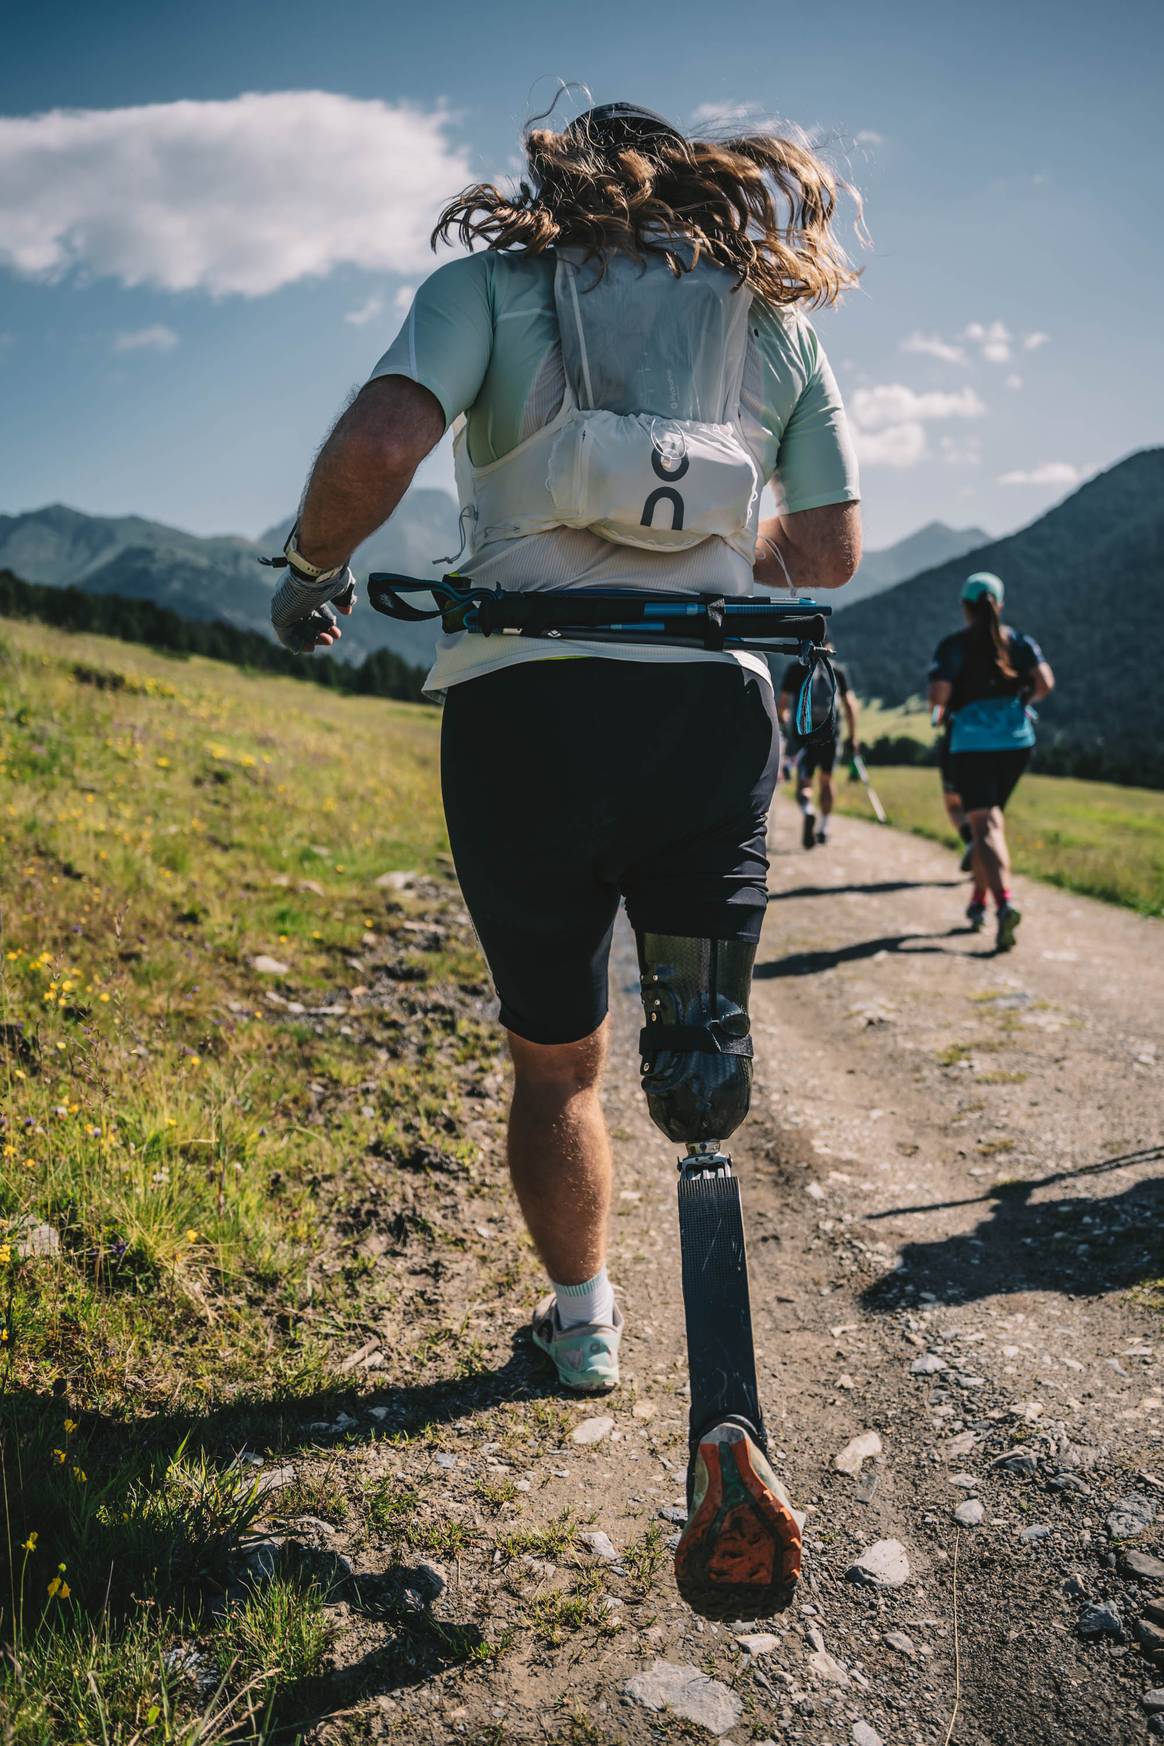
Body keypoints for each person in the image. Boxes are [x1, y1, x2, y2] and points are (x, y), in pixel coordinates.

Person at [265, 99, 861, 1616]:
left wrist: (312, 570)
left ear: (556, 182)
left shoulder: (487, 289)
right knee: (699, 1058)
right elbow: (836, 547)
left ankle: (584, 1325)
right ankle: (729, 1398)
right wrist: (722, 565)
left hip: (526, 718)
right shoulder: (768, 322)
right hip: (707, 722)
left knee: (558, 1063)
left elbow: (388, 439)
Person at [928, 572, 1054, 951]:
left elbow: (938, 693)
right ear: (999, 605)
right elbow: (1044, 683)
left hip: (971, 743)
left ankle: (1003, 904)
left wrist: (948, 706)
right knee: (993, 822)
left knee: (983, 825)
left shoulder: (953, 645)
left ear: (965, 607)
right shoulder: (1020, 642)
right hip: (1017, 742)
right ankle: (978, 902)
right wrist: (1017, 704)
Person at [778, 657, 859, 847]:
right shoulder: (836, 670)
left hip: (805, 733)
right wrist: (853, 736)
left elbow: (782, 705)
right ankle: (823, 827)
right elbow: (850, 705)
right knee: (826, 779)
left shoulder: (796, 668)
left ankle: (808, 810)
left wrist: (787, 726)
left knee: (805, 781)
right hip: (830, 733)